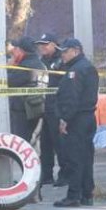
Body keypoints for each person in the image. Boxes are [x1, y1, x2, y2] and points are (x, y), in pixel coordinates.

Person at [53, 38, 99, 207]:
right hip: (86, 117)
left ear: (76, 50)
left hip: (77, 119)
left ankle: (74, 195)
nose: (62, 55)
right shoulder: (85, 67)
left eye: (65, 51)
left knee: (74, 158)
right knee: (86, 157)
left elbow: (71, 99)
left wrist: (65, 119)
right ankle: (87, 194)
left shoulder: (76, 70)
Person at [34, 32, 69, 187]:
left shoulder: (62, 61)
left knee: (60, 144)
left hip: (57, 108)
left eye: (45, 44)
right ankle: (47, 174)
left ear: (54, 44)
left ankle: (65, 174)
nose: (42, 47)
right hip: (45, 108)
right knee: (45, 145)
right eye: (40, 44)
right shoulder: (42, 61)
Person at [7, 36, 45, 142]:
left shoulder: (25, 67)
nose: (14, 52)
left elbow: (7, 82)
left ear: (22, 51)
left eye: (17, 49)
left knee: (19, 143)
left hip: (22, 112)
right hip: (33, 109)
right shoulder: (39, 63)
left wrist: (9, 67)